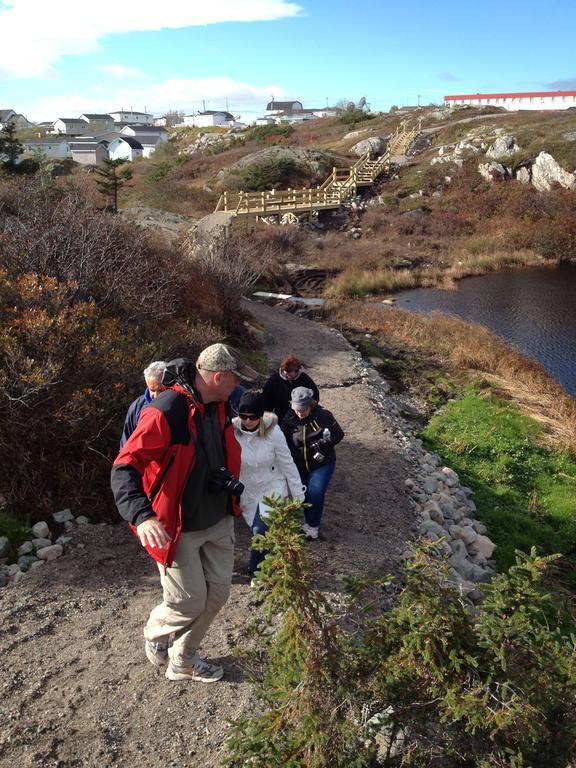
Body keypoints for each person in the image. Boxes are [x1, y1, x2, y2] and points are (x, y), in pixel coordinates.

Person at [111, 343, 257, 683]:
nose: (239, 387)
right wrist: (141, 515)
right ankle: (155, 633)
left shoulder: (218, 404)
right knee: (189, 602)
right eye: (236, 380)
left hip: (218, 517)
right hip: (178, 527)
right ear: (218, 377)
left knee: (217, 594)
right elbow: (124, 466)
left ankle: (183, 658)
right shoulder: (167, 410)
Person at [232, 391, 305, 581]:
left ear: (260, 416)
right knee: (262, 531)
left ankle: (257, 573)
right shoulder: (231, 430)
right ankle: (272, 564)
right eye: (243, 416)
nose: (247, 421)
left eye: (253, 417)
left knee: (260, 530)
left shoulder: (273, 432)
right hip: (247, 489)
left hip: (272, 486)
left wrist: (298, 495)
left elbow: (287, 463)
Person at [281, 386, 344, 541]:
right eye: (297, 409)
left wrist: (325, 444)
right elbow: (283, 442)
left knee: (315, 492)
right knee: (302, 494)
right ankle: (307, 522)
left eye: (303, 409)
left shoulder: (324, 416)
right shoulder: (288, 419)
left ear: (310, 405)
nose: (300, 413)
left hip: (322, 462)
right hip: (298, 464)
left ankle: (312, 526)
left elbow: (339, 434)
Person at [119, 361, 167, 448]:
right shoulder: (137, 406)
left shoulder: (178, 405)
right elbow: (126, 441)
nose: (156, 395)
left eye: (161, 390)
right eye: (152, 390)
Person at [262, 354, 320, 424]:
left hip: (302, 415)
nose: (288, 377)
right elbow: (266, 400)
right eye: (286, 374)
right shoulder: (274, 380)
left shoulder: (305, 379)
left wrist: (308, 411)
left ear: (297, 370)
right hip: (281, 417)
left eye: (291, 374)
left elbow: (315, 397)